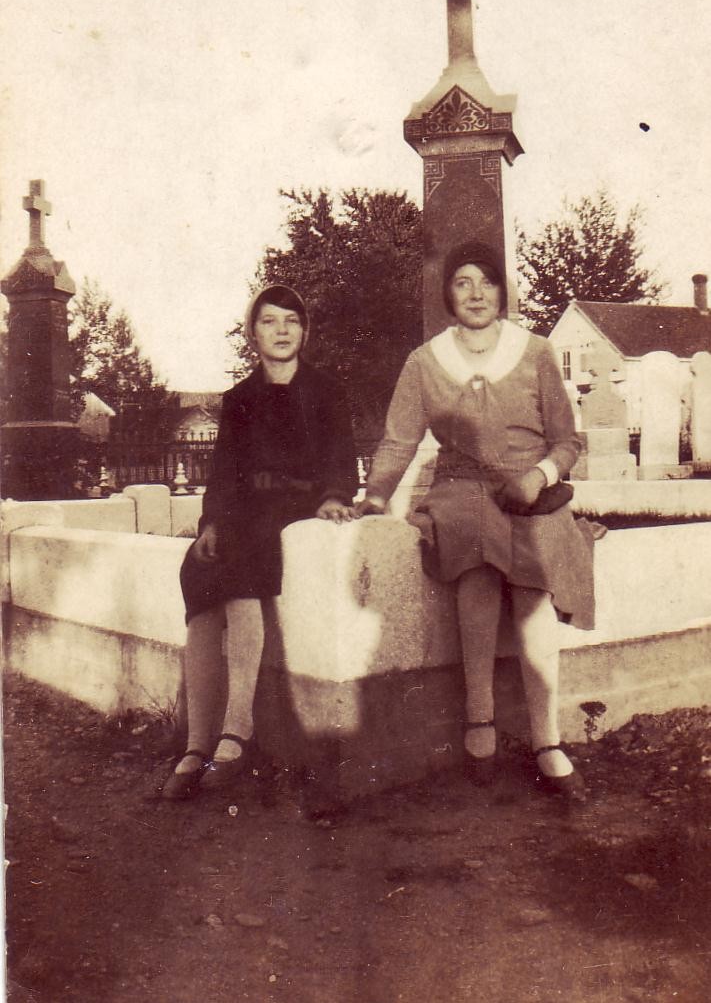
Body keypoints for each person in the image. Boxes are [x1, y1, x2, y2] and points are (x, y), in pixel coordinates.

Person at [356, 240, 594, 800]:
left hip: (528, 487)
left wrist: (538, 476)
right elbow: (399, 439)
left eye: (485, 281)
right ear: (448, 297)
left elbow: (566, 440)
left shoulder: (534, 352)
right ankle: (478, 720)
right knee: (475, 563)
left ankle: (547, 739)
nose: (476, 293)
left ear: (502, 291)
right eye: (462, 283)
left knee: (534, 579)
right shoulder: (425, 361)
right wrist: (373, 497)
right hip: (460, 486)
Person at [162, 284, 358, 800]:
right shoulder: (240, 399)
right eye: (269, 321)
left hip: (297, 510)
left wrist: (335, 496)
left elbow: (342, 459)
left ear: (305, 332)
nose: (281, 330)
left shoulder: (327, 391)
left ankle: (236, 729)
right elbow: (224, 472)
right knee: (200, 569)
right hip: (246, 510)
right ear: (253, 334)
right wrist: (209, 523)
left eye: (291, 321)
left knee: (242, 558)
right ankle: (196, 744)